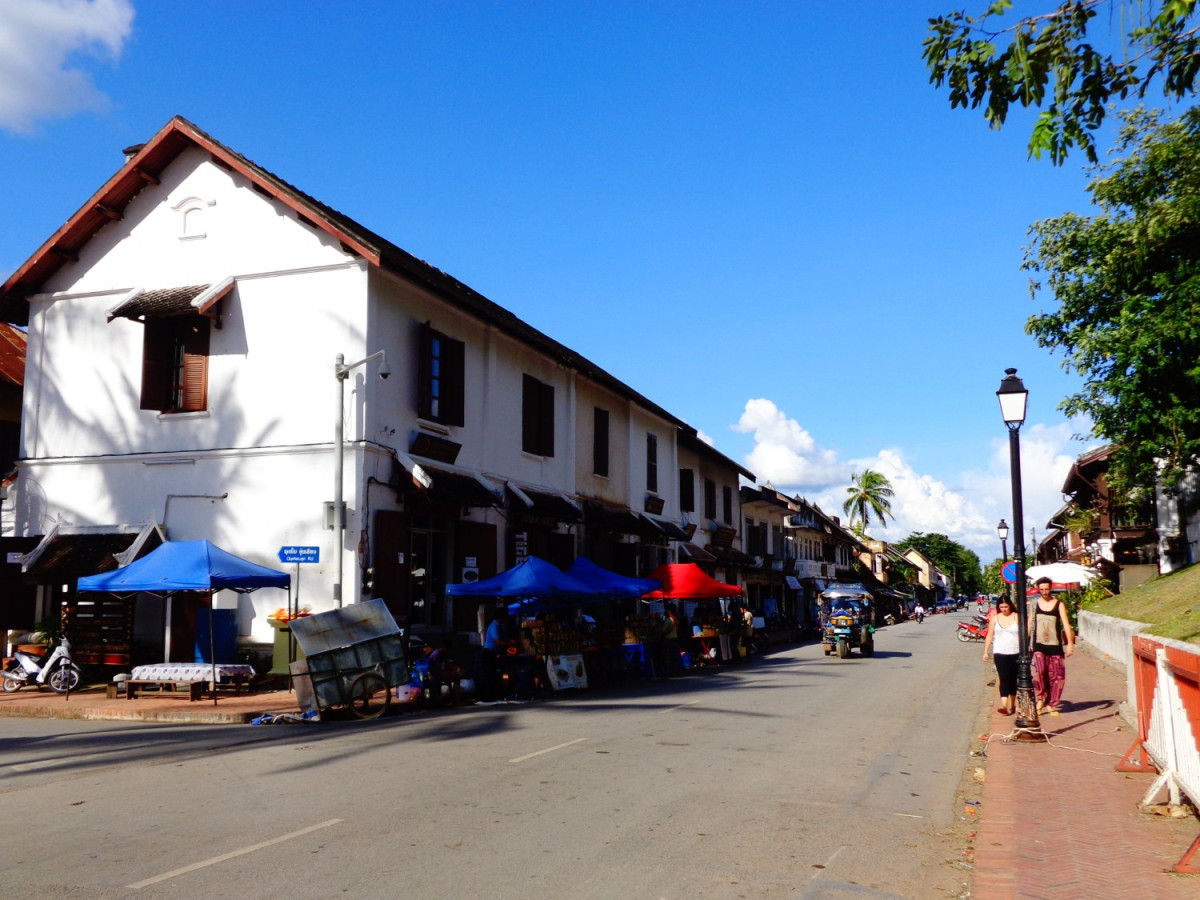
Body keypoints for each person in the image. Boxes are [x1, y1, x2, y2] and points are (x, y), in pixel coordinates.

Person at [1030, 576, 1075, 714]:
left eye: (1047, 589)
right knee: (1040, 672)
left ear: (1051, 589)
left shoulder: (1059, 604)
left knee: (1057, 676)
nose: (1044, 592)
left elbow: (1066, 625)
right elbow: (1030, 623)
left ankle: (1051, 703)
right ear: (1038, 589)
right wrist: (1026, 642)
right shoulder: (1034, 604)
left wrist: (1070, 645)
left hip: (1055, 644)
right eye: (1041, 589)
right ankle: (1041, 699)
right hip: (1039, 644)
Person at [982, 598, 1020, 715]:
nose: (1004, 609)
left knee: (1013, 678)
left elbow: (1024, 632)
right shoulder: (995, 618)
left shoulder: (1017, 616)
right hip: (1000, 652)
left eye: (1006, 607)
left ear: (1010, 606)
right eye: (1001, 607)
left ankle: (1012, 704)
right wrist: (986, 651)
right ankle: (1003, 705)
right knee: (1003, 678)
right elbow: (990, 635)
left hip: (1015, 651)